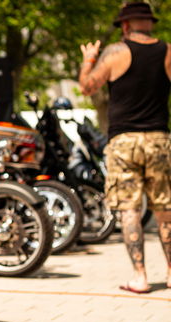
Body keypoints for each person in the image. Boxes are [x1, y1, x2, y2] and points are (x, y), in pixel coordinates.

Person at [79, 2, 171, 293]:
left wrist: (89, 60)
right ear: (149, 23)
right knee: (165, 208)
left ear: (126, 25)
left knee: (130, 208)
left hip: (123, 141)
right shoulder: (167, 51)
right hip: (158, 138)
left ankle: (140, 277)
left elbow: (86, 87)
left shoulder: (115, 53)